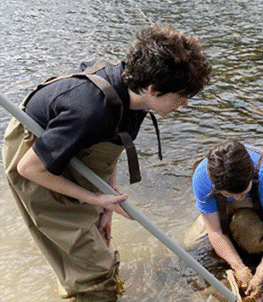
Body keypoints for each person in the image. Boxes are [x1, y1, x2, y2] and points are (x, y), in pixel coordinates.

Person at [2, 25, 211, 301]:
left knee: (98, 241)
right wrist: (94, 198)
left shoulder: (134, 98)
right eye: (181, 96)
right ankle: (89, 290)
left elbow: (109, 149)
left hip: (73, 148)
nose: (184, 104)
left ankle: (75, 290)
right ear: (153, 89)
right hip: (36, 159)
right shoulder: (88, 111)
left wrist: (107, 205)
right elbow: (28, 168)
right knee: (95, 268)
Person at [189, 141, 263, 299]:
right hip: (223, 202)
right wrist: (239, 267)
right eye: (231, 195)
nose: (238, 198)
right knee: (190, 242)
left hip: (260, 197)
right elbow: (215, 231)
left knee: (251, 238)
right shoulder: (203, 177)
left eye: (242, 193)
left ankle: (242, 210)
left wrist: (259, 275)